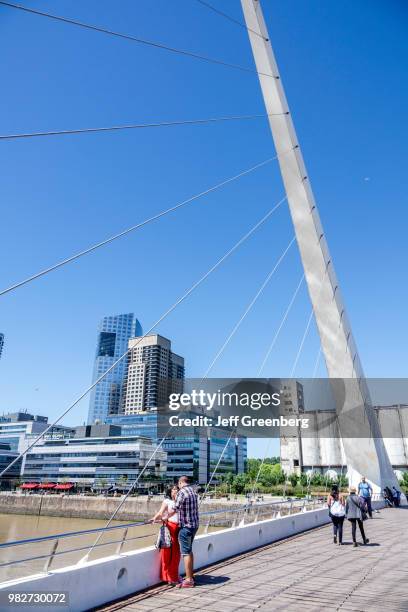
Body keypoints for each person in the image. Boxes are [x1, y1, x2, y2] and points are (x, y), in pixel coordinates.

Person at [167, 475, 199, 588]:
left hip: (185, 526)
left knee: (185, 552)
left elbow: (175, 508)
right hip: (194, 525)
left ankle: (189, 580)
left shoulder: (182, 492)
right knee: (189, 550)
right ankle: (191, 576)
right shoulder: (193, 492)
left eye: (178, 485)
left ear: (180, 483)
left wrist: (165, 517)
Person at [151, 485, 181, 586]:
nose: (175, 491)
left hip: (179, 528)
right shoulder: (167, 501)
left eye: (177, 489)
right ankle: (168, 577)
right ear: (170, 491)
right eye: (173, 489)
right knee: (167, 553)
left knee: (176, 554)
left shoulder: (181, 501)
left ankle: (174, 576)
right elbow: (161, 512)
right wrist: (154, 518)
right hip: (170, 528)